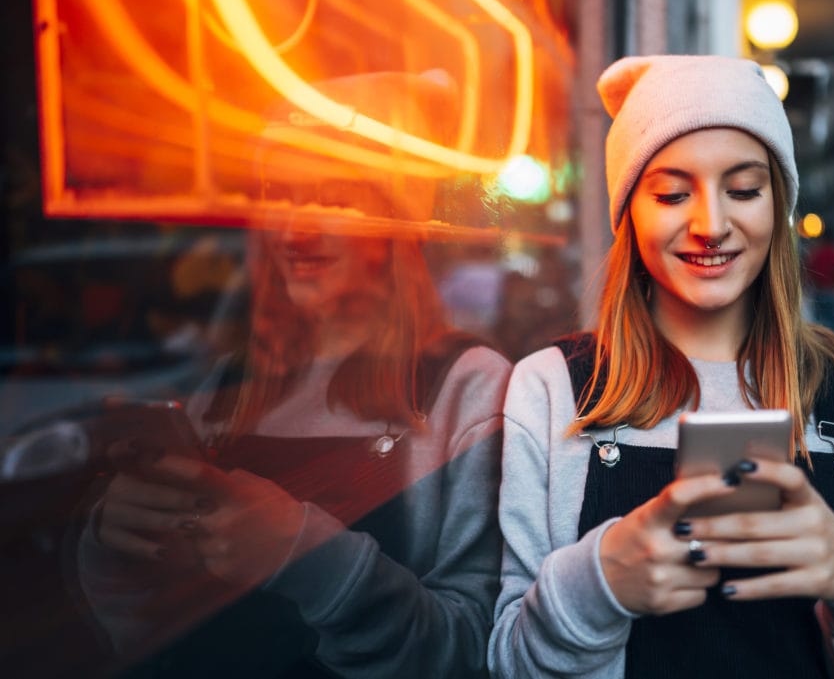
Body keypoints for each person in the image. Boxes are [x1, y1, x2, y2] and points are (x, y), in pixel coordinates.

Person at [488, 55, 834, 679]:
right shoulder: (551, 388)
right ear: (628, 211)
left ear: (778, 206)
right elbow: (509, 661)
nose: (710, 225)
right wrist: (599, 583)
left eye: (743, 189)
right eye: (671, 193)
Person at [74, 71, 510, 678]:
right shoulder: (229, 389)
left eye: (336, 197)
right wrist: (118, 552)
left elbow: (477, 653)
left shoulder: (468, 388)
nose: (296, 230)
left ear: (399, 221)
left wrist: (304, 556)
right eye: (279, 193)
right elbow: (154, 639)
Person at [803, 226, 834, 333]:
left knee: (819, 323)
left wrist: (809, 288)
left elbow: (808, 271)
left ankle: (821, 346)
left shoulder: (816, 252)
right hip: (832, 293)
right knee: (833, 323)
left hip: (818, 293)